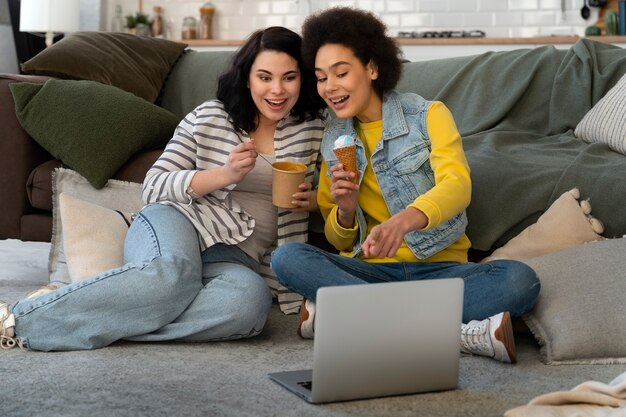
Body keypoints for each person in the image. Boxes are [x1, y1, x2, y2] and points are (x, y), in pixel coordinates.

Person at [0, 26, 326, 352]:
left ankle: (104, 320)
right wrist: (222, 175)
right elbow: (153, 187)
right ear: (247, 78)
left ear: (303, 79)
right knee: (171, 276)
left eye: (289, 77)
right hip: (176, 223)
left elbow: (328, 194)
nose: (277, 90)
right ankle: (21, 319)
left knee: (248, 307)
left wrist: (314, 201)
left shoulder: (313, 129)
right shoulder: (210, 116)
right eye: (265, 77)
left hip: (237, 258)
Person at [271, 7, 540, 364]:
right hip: (370, 271)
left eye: (341, 72)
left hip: (441, 271)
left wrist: (404, 220)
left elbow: (457, 186)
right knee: (287, 258)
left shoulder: (428, 115)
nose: (329, 87)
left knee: (522, 280)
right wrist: (346, 210)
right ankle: (453, 333)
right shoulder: (333, 137)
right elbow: (340, 241)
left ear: (372, 68)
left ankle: (350, 317)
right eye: (321, 77)